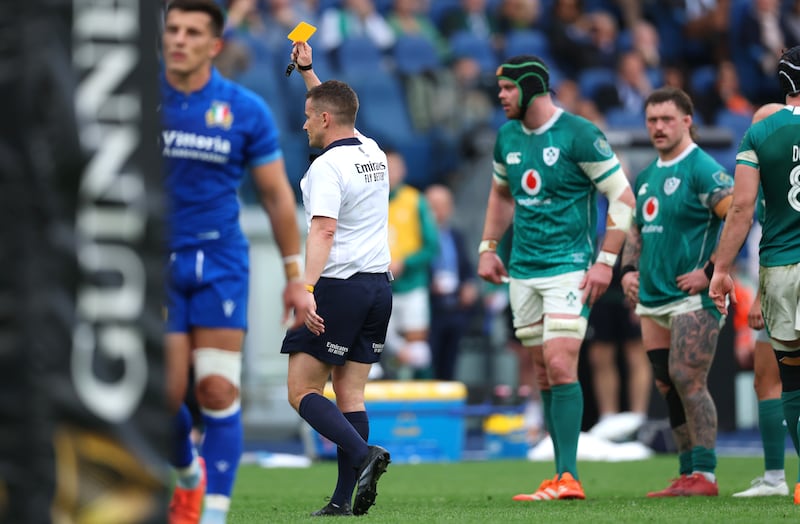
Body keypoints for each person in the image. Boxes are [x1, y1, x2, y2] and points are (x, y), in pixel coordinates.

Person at [160, 2, 309, 523]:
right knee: (163, 395)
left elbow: (276, 198)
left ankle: (215, 512)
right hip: (153, 260)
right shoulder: (135, 100)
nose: (179, 39)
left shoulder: (245, 109)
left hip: (220, 259)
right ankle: (188, 475)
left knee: (217, 388)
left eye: (193, 32)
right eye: (173, 29)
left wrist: (296, 278)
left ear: (214, 45)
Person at [477, 54, 636, 501]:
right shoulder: (507, 136)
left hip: (570, 266)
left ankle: (569, 477)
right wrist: (488, 248)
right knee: (544, 373)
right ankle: (557, 475)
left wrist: (606, 261)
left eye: (508, 88)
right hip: (523, 270)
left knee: (562, 362)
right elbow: (501, 195)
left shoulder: (580, 134)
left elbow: (622, 198)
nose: (501, 96)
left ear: (531, 87)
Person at [281, 39, 392, 517]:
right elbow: (337, 109)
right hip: (378, 290)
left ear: (323, 120)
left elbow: (323, 228)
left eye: (309, 115)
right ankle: (342, 501)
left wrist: (305, 290)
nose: (304, 122)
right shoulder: (373, 150)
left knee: (302, 392)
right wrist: (310, 73)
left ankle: (364, 454)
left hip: (338, 288)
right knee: (350, 394)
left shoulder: (327, 167)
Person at [620, 86, 734, 498]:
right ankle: (687, 472)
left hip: (692, 299)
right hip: (652, 296)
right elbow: (636, 227)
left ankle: (706, 473)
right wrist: (629, 270)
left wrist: (711, 271)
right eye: (652, 120)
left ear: (688, 121)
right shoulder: (649, 174)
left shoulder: (702, 168)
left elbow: (737, 215)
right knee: (667, 383)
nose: (658, 127)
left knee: (688, 377)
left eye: (667, 119)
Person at [709, 47, 800, 503]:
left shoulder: (762, 157)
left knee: (786, 375)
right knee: (770, 377)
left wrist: (727, 274)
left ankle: (780, 477)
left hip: (781, 274)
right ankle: (774, 475)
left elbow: (741, 216)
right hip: (768, 277)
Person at [382, 149, 439, 379]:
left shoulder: (416, 201)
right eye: (386, 168)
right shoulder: (369, 202)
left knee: (418, 353)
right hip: (381, 288)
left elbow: (432, 246)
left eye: (395, 167)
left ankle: (423, 406)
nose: (391, 173)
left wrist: (405, 263)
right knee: (382, 352)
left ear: (403, 170)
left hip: (412, 286)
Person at [425, 184, 480, 381]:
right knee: (428, 363)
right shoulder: (419, 237)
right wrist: (429, 285)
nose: (438, 210)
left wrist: (470, 285)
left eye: (443, 205)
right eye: (433, 205)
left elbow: (467, 268)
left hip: (456, 307)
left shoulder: (457, 235)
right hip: (430, 309)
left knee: (451, 363)